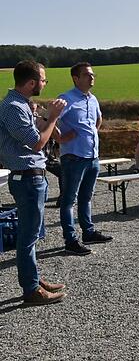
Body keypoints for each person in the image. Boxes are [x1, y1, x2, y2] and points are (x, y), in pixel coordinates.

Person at [0, 60, 68, 305]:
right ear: (31, 83)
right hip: (26, 178)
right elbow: (37, 142)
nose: (44, 83)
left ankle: (33, 278)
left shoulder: (20, 105)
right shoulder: (13, 107)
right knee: (27, 236)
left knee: (31, 233)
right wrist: (52, 118)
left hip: (31, 177)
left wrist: (44, 118)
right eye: (43, 80)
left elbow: (33, 135)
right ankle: (30, 289)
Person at [57, 62, 113, 256]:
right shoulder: (66, 99)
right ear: (75, 78)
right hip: (73, 156)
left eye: (92, 74)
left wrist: (91, 134)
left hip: (92, 156)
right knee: (68, 200)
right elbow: (48, 120)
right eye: (87, 75)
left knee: (86, 197)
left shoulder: (93, 99)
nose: (92, 77)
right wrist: (60, 138)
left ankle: (88, 232)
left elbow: (98, 119)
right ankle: (70, 240)